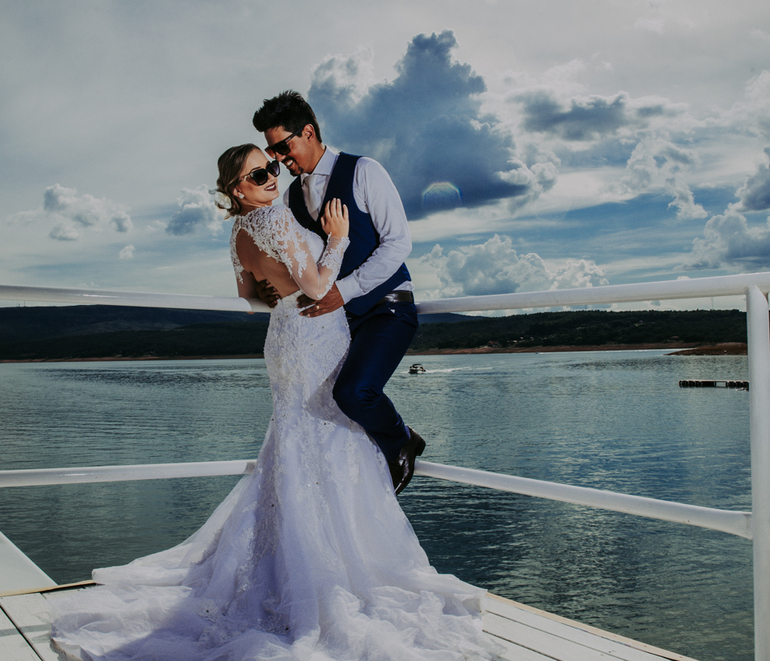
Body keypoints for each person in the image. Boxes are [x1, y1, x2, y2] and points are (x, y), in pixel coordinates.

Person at [49, 144, 497, 661]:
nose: (272, 174)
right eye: (258, 172)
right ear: (237, 188)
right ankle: (331, 567)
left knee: (296, 438)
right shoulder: (275, 219)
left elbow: (249, 295)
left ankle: (292, 557)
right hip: (315, 331)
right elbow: (316, 284)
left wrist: (282, 289)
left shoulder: (238, 231)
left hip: (283, 334)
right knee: (328, 434)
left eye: (273, 166)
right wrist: (337, 240)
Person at [252, 90, 426, 494]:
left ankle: (401, 440)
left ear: (308, 132)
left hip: (387, 307)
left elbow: (398, 243)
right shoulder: (293, 196)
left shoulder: (365, 170)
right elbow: (304, 266)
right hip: (333, 322)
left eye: (283, 146)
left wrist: (344, 292)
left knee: (353, 392)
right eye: (270, 151)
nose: (278, 158)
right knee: (312, 404)